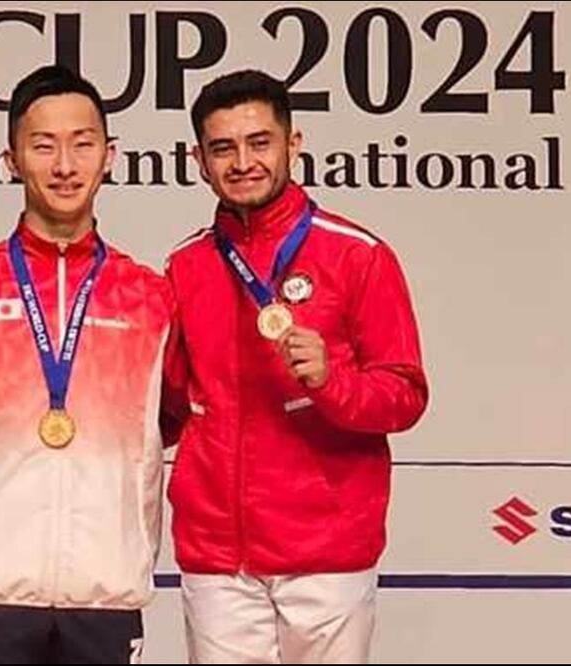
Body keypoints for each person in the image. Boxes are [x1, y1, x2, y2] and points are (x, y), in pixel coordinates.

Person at [164, 69, 429, 664]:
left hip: (327, 551)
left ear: (293, 143)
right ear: (199, 160)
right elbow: (172, 405)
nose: (243, 162)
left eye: (259, 142)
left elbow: (405, 394)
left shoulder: (358, 254)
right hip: (218, 557)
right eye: (222, 148)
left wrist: (333, 381)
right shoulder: (185, 266)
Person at [0, 65, 173, 665]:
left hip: (106, 588)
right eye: (43, 146)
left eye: (82, 144)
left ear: (109, 156)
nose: (65, 165)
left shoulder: (152, 297)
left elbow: (174, 418)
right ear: (11, 159)